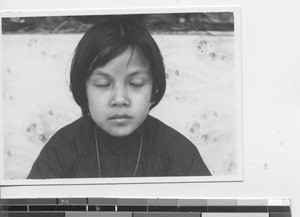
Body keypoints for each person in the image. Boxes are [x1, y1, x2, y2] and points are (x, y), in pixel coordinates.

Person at [27, 16, 211, 179]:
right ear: (83, 88)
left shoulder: (177, 151)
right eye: (103, 84)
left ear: (154, 86)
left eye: (136, 83)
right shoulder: (62, 149)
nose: (120, 99)